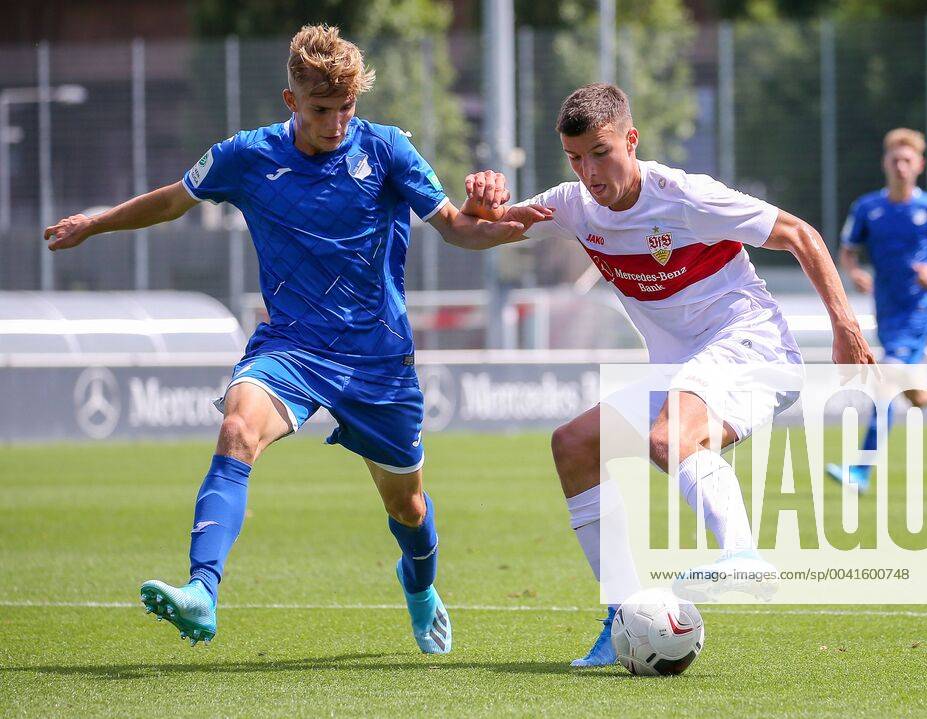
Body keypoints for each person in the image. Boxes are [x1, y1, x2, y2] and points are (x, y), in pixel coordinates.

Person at [43, 24, 550, 652]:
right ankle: (203, 590)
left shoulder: (387, 149)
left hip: (378, 360)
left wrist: (500, 223)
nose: (337, 122)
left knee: (409, 510)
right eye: (321, 110)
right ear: (291, 101)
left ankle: (419, 589)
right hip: (291, 348)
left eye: (346, 108)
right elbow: (173, 201)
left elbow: (456, 227)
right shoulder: (247, 157)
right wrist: (94, 224)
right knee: (236, 430)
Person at [462, 83, 874, 666]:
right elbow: (481, 232)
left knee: (667, 438)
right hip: (687, 369)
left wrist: (845, 326)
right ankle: (621, 613)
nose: (589, 172)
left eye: (600, 152)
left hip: (752, 348)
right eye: (576, 158)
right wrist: (482, 207)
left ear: (631, 139)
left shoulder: (684, 195)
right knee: (574, 445)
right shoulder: (573, 204)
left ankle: (741, 551)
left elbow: (800, 235)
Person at [826, 128, 927, 492]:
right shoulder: (868, 208)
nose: (901, 166)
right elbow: (848, 250)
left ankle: (860, 470)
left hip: (918, 311)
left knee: (886, 380)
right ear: (885, 163)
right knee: (915, 397)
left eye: (908, 160)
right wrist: (854, 273)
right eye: (895, 159)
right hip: (886, 311)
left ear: (919, 165)